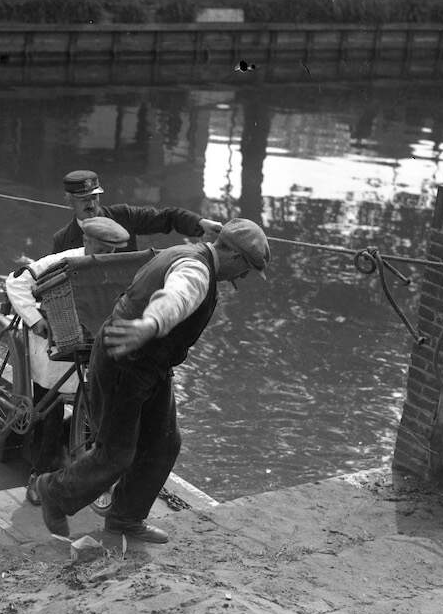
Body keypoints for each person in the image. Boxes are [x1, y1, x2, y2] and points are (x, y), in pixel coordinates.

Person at [35, 218, 271, 543]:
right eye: (247, 269)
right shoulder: (197, 271)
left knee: (164, 444)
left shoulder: (187, 253)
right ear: (235, 257)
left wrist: (150, 331)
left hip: (152, 363)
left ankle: (125, 519)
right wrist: (150, 324)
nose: (243, 277)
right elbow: (177, 297)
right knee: (116, 454)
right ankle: (53, 492)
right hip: (127, 358)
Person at [6, 217, 130, 506]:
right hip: (52, 345)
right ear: (86, 241)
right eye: (103, 248)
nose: (108, 256)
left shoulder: (110, 266)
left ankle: (83, 469)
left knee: (94, 404)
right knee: (48, 410)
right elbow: (16, 282)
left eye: (113, 250)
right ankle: (38, 478)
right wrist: (35, 320)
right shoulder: (59, 262)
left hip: (87, 344)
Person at [51, 170, 222, 255]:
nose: (91, 203)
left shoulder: (124, 215)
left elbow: (168, 217)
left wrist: (201, 223)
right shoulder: (62, 239)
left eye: (94, 197)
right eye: (83, 198)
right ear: (69, 201)